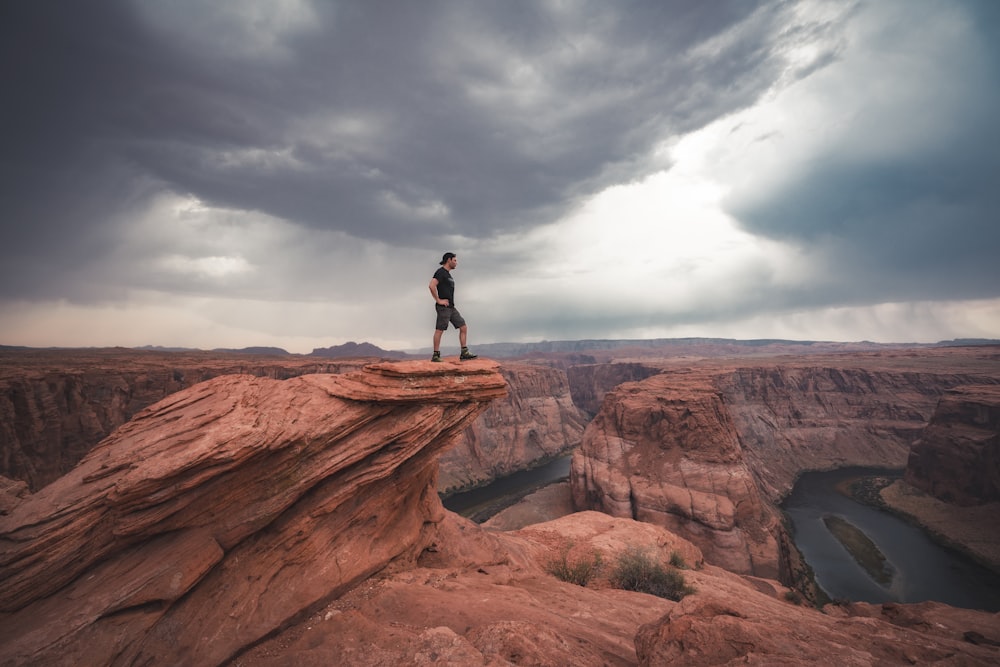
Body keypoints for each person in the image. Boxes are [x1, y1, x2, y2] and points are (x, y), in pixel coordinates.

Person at [428, 252, 478, 362]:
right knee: (440, 329)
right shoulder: (440, 272)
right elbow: (431, 285)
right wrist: (438, 300)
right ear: (449, 260)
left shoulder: (448, 274)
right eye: (455, 260)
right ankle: (435, 355)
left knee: (463, 326)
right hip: (444, 307)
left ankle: (464, 352)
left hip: (451, 307)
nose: (456, 263)